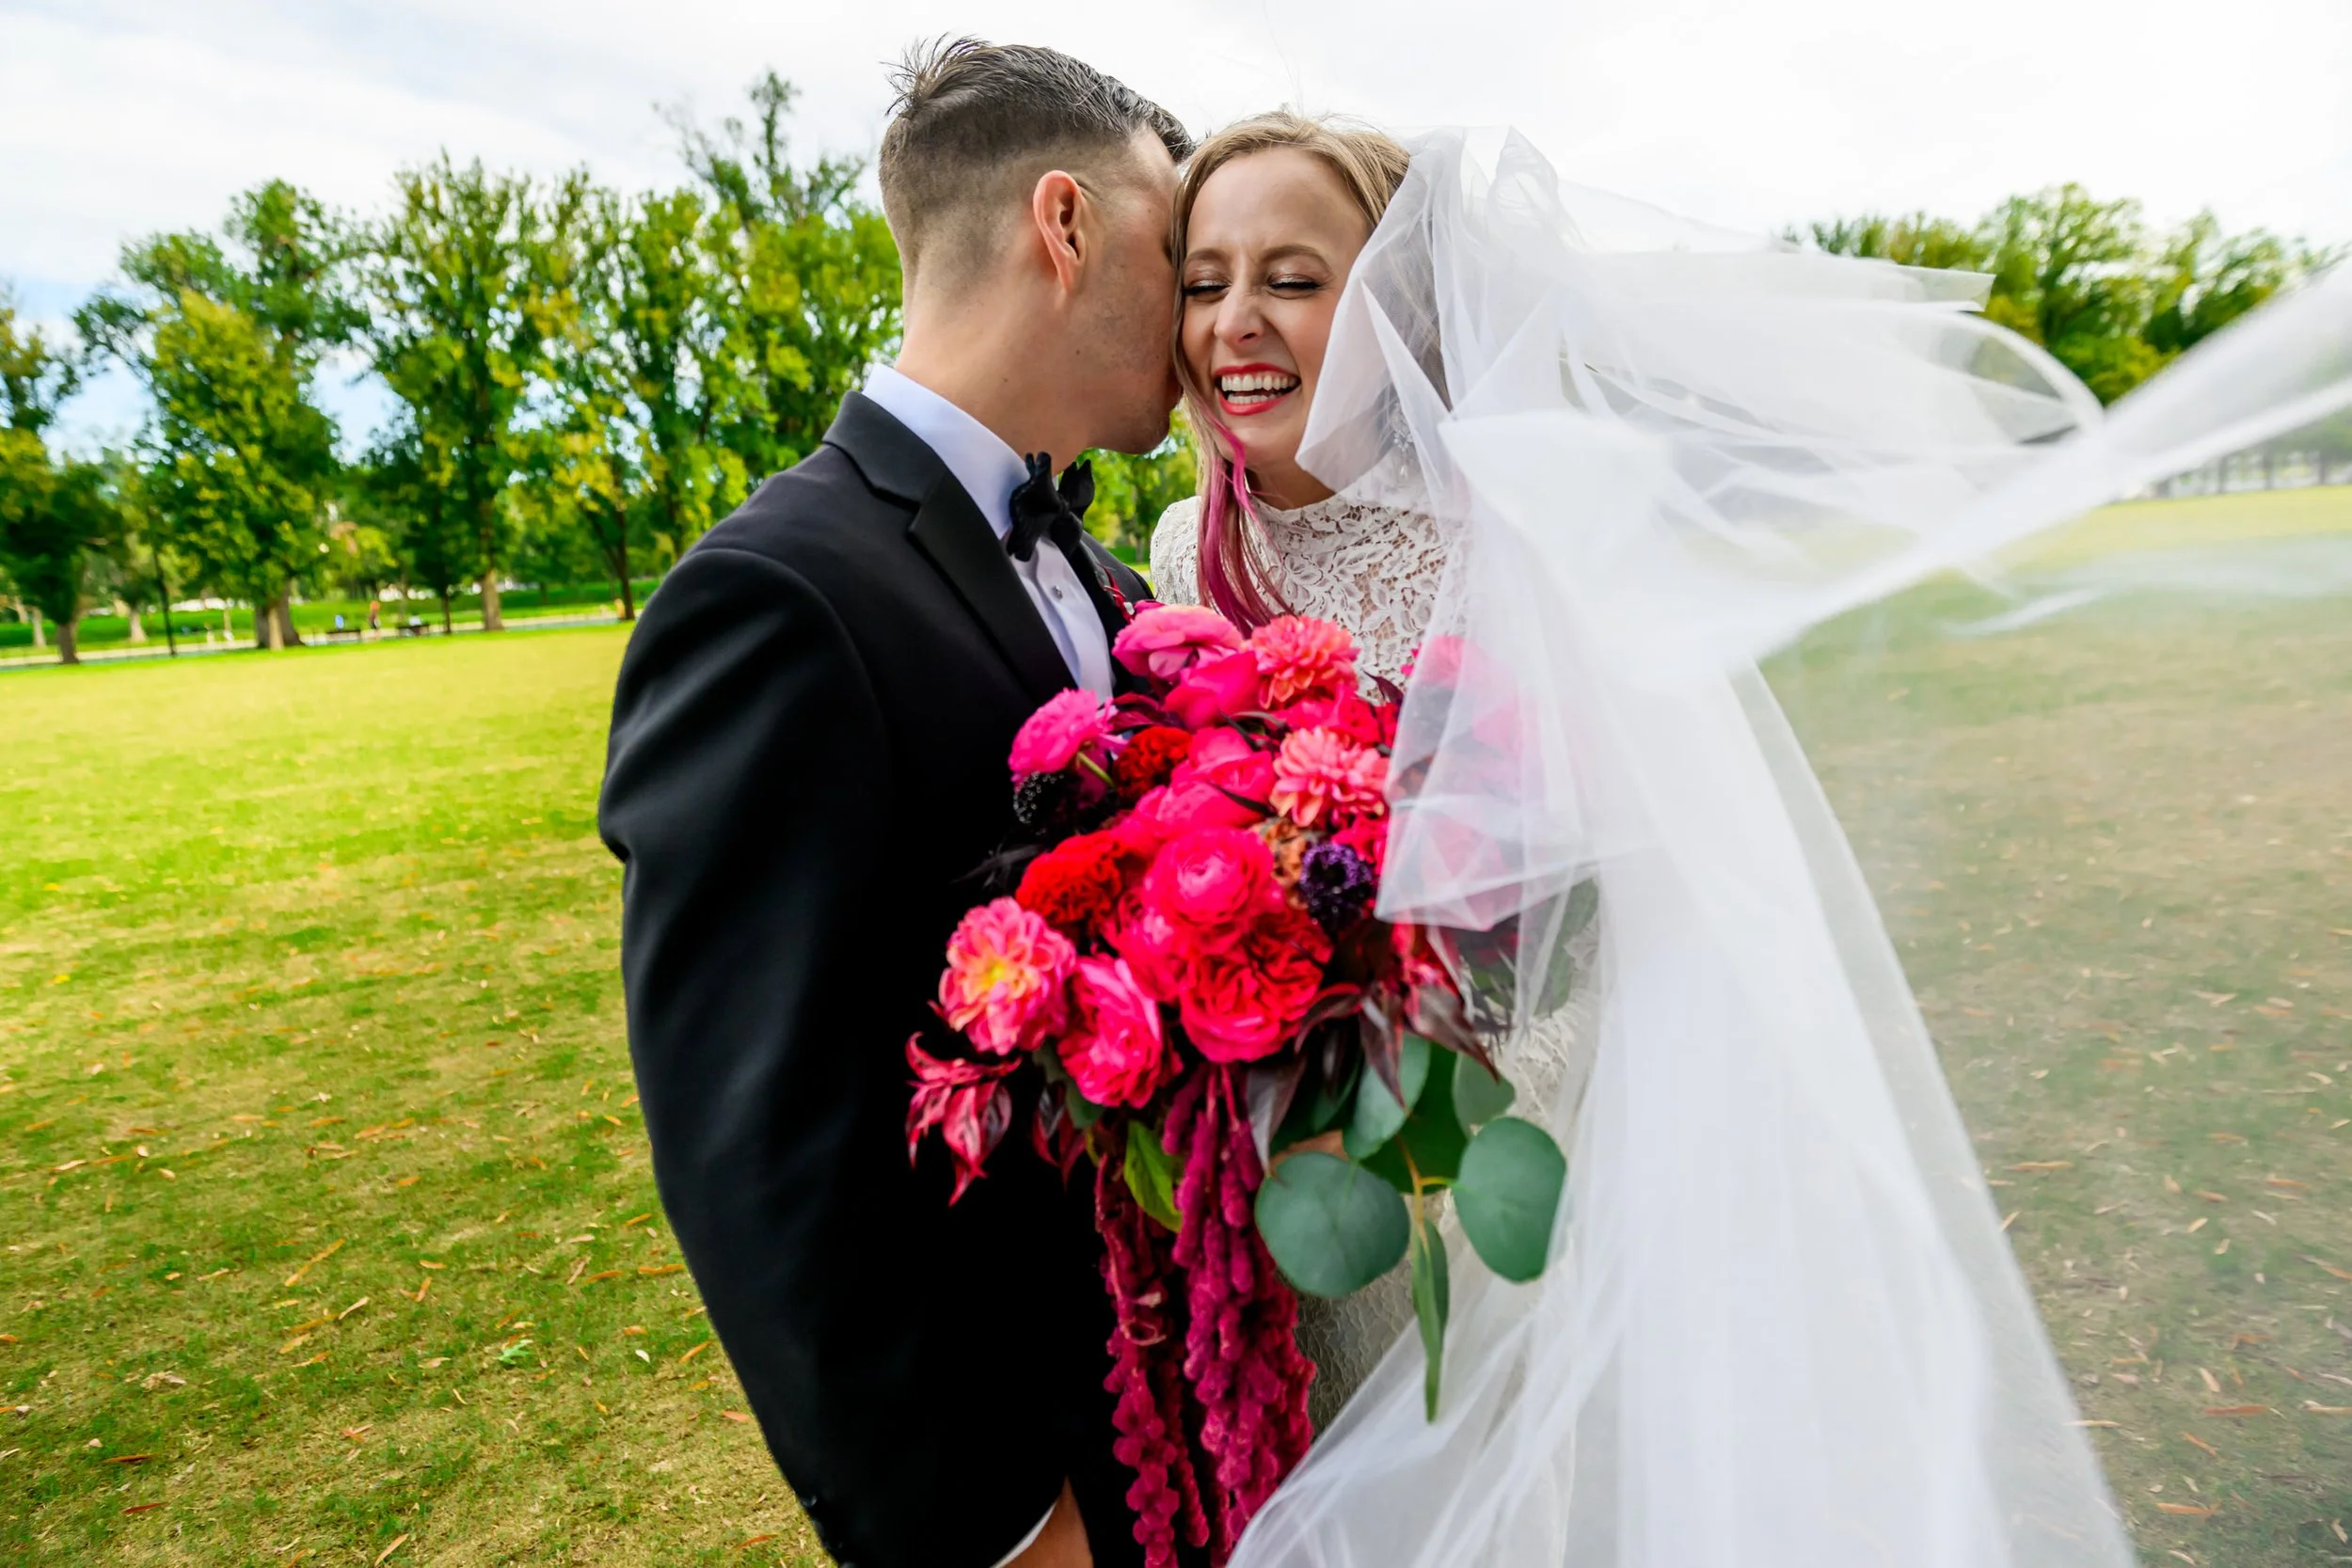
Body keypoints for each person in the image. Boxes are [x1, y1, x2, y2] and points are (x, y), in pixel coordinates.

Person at [1147, 110, 2352, 1568]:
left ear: (1394, 302)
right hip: (1267, 1191)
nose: (1236, 323)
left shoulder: (1512, 541)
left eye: (1293, 274)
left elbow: (1619, 903)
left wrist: (1426, 1118)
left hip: (1485, 1165)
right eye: (1205, 279)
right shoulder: (1179, 550)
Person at [598, 39, 1188, 1568]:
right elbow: (759, 1149)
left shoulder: (1109, 578)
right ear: (1065, 224)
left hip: (1172, 1401)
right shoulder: (776, 594)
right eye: (1179, 248)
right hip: (1027, 1473)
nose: (1201, 315)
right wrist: (980, 1529)